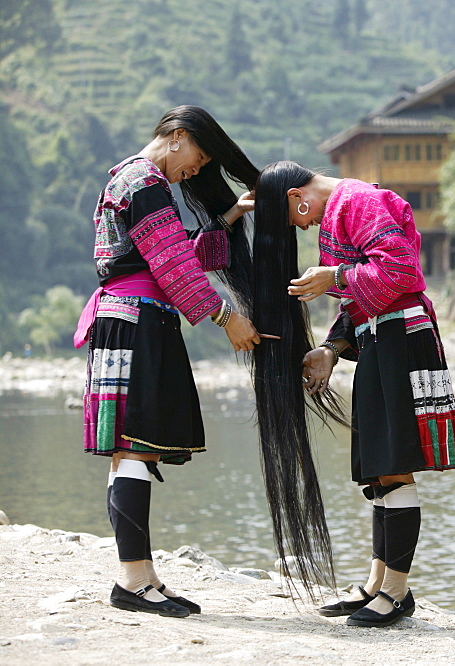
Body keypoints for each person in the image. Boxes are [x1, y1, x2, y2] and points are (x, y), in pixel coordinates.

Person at [251, 160, 455, 628]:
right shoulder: (339, 212)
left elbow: (402, 272)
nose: (301, 226)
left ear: (296, 197)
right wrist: (330, 348)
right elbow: (362, 300)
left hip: (400, 341)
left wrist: (337, 277)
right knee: (379, 469)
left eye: (293, 219)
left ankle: (397, 591)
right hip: (379, 339)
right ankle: (377, 583)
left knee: (393, 465)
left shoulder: (359, 202)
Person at [74, 105, 260, 618]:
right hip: (138, 323)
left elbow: (169, 253)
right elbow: (172, 263)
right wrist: (229, 318)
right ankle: (134, 582)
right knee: (135, 449)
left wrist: (230, 216)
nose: (196, 171)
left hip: (129, 320)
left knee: (133, 450)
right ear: (177, 136)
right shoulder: (144, 180)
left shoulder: (135, 180)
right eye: (199, 159)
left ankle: (141, 577)